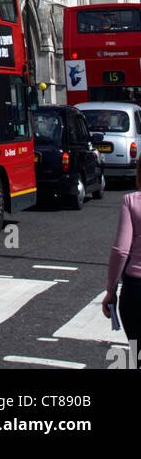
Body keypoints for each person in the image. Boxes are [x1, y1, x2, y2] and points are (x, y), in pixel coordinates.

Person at [102, 156, 141, 367]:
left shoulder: (131, 201)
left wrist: (111, 290)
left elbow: (120, 251)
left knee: (136, 354)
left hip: (136, 292)